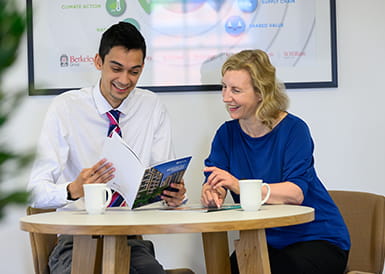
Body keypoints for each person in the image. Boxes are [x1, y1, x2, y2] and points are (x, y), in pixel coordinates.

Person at [28, 22, 186, 274]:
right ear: (98, 62)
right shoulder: (66, 108)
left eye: (134, 71)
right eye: (116, 68)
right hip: (76, 240)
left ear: (143, 68)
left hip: (130, 240)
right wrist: (73, 190)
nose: (124, 80)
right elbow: (34, 191)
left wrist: (173, 196)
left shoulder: (152, 107)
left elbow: (162, 180)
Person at [201, 49, 350, 274]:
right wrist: (212, 192)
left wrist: (238, 185)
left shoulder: (294, 130)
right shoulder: (226, 134)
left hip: (317, 238)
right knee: (227, 269)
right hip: (266, 240)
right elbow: (215, 181)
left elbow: (295, 193)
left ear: (261, 93)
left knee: (281, 270)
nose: (225, 97)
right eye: (224, 87)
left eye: (236, 90)